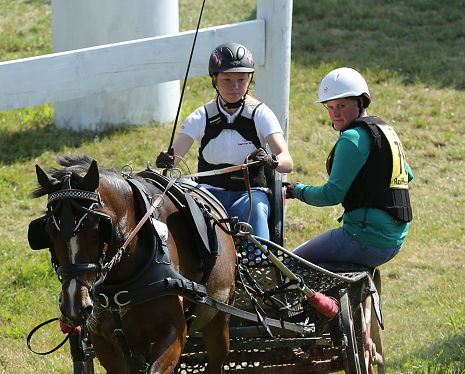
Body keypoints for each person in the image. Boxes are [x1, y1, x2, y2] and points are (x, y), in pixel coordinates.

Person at [156, 42, 293, 241]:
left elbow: (287, 162)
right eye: (227, 79)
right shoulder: (200, 116)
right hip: (208, 194)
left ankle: (261, 265)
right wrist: (167, 161)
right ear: (214, 79)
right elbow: (174, 158)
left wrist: (273, 161)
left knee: (256, 211)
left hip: (250, 195)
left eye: (241, 79)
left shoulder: (261, 114)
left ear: (249, 79)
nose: (234, 87)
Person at [285, 67, 413, 268]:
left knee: (289, 264)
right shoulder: (385, 130)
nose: (334, 114)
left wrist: (297, 190)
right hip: (396, 238)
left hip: (366, 238)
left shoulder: (352, 139)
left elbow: (331, 195)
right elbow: (407, 175)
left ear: (361, 102)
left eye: (341, 105)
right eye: (329, 107)